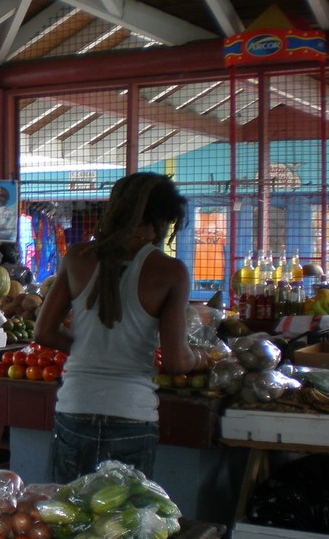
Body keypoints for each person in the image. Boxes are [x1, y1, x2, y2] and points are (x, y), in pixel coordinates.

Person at [33, 172, 207, 485]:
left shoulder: (76, 258)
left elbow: (43, 332)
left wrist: (91, 349)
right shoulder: (171, 272)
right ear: (163, 219)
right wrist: (202, 358)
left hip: (75, 408)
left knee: (66, 524)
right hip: (132, 415)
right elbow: (176, 361)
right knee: (124, 528)